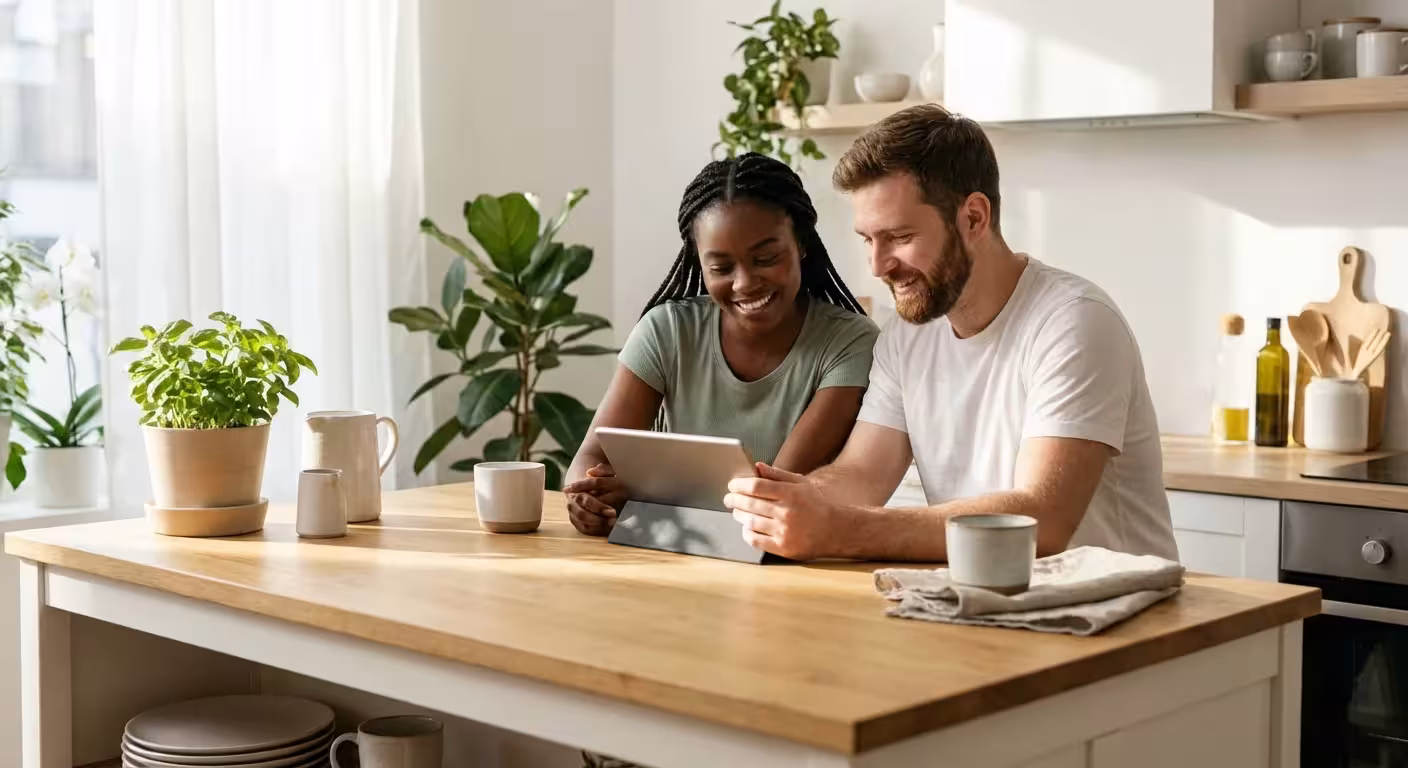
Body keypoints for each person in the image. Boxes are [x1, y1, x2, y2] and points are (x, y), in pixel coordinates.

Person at [724, 105, 1177, 562]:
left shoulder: (1073, 322)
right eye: (867, 239)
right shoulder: (906, 336)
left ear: (974, 218)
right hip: (986, 604)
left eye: (898, 236)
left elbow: (1041, 520)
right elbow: (861, 474)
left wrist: (840, 528)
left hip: (1115, 614)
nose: (877, 265)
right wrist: (792, 498)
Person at [564, 152, 879, 536]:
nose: (745, 283)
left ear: (801, 243)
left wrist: (646, 496)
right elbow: (592, 457)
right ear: (699, 264)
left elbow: (770, 494)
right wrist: (587, 496)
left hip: (783, 564)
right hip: (671, 553)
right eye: (721, 268)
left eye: (766, 257)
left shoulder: (849, 343)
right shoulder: (667, 330)